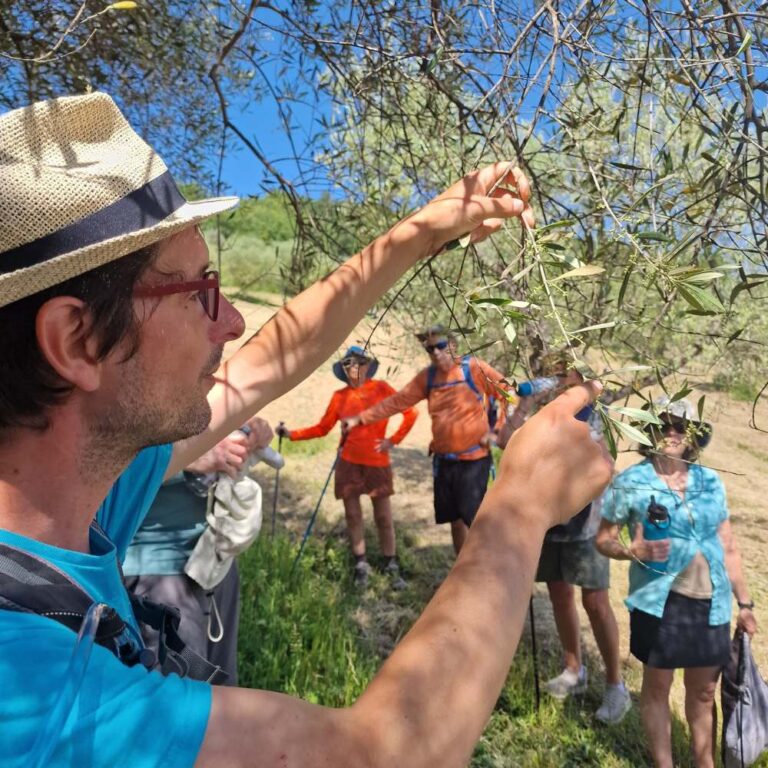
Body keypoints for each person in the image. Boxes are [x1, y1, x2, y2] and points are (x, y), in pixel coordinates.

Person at [0, 91, 612, 767]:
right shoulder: (27, 690)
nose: (230, 320)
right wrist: (522, 506)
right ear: (77, 339)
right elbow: (384, 757)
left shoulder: (72, 496)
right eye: (198, 290)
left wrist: (423, 230)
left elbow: (270, 361)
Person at [596, 397, 757, 768]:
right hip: (659, 604)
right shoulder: (633, 481)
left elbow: (728, 545)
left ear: (693, 435)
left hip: (712, 604)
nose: (672, 431)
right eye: (664, 423)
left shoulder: (710, 481)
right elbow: (602, 539)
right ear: (650, 429)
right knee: (657, 689)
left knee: (703, 693)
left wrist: (745, 604)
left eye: (680, 425)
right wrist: (629, 551)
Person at [498, 353, 630, 724]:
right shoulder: (543, 410)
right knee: (558, 592)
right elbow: (505, 441)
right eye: (554, 373)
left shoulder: (596, 416)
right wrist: (524, 402)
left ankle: (615, 686)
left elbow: (604, 465)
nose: (558, 379)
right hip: (549, 520)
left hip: (585, 524)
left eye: (564, 373)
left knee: (596, 602)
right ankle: (574, 668)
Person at [124, 417, 274, 685]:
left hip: (213, 564)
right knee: (178, 702)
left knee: (220, 691)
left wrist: (248, 427)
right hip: (157, 575)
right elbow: (105, 462)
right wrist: (191, 458)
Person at [344, 325, 509, 555]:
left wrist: (497, 431)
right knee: (455, 518)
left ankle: (495, 573)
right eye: (430, 349)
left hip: (474, 459)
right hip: (444, 461)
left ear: (452, 345)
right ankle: (461, 572)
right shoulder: (428, 377)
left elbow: (508, 393)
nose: (436, 353)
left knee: (475, 519)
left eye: (440, 346)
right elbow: (398, 401)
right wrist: (360, 419)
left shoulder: (473, 368)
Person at [276, 345, 416, 588]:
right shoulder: (339, 397)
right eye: (348, 363)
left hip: (377, 463)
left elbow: (410, 412)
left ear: (367, 366)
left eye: (359, 362)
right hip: (348, 463)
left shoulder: (381, 388)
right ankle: (361, 563)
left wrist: (393, 441)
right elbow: (322, 428)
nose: (353, 367)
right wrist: (291, 434)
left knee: (383, 516)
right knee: (353, 515)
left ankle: (390, 563)